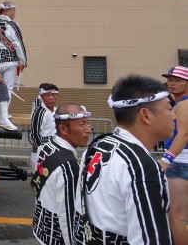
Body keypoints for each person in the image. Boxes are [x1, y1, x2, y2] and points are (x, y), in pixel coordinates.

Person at [73, 74, 174, 244]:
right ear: (145, 115)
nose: (174, 116)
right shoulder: (142, 167)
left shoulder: (99, 144)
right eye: (169, 109)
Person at [31, 104, 91, 245]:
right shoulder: (69, 167)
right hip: (57, 238)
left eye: (88, 124)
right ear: (63, 129)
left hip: (42, 225)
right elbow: (67, 215)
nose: (88, 130)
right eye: (82, 124)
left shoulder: (45, 147)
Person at [0, 1, 27, 165]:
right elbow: (17, 43)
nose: (14, 13)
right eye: (13, 10)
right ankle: (3, 114)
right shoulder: (12, 25)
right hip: (9, 60)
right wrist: (23, 60)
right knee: (6, 88)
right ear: (8, 11)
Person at [159, 66, 188, 244]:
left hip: (180, 163)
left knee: (176, 218)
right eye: (170, 80)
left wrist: (165, 160)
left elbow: (183, 134)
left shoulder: (184, 104)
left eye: (178, 80)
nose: (172, 83)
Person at [29, 83, 59, 170]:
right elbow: (35, 134)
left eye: (54, 95)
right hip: (41, 154)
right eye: (47, 95)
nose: (51, 98)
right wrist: (43, 151)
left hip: (55, 152)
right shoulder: (39, 112)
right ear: (41, 96)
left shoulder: (57, 111)